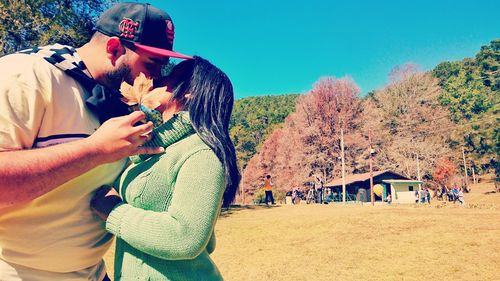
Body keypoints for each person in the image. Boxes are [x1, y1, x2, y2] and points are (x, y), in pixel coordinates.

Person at [0, 3, 190, 280]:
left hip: (93, 272)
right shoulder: (26, 75)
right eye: (151, 65)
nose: (156, 79)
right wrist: (95, 150)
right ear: (113, 49)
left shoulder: (114, 102)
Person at [90, 56, 240, 280]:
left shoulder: (201, 153)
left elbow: (186, 237)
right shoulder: (157, 149)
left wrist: (114, 212)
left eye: (171, 76)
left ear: (190, 91)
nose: (158, 78)